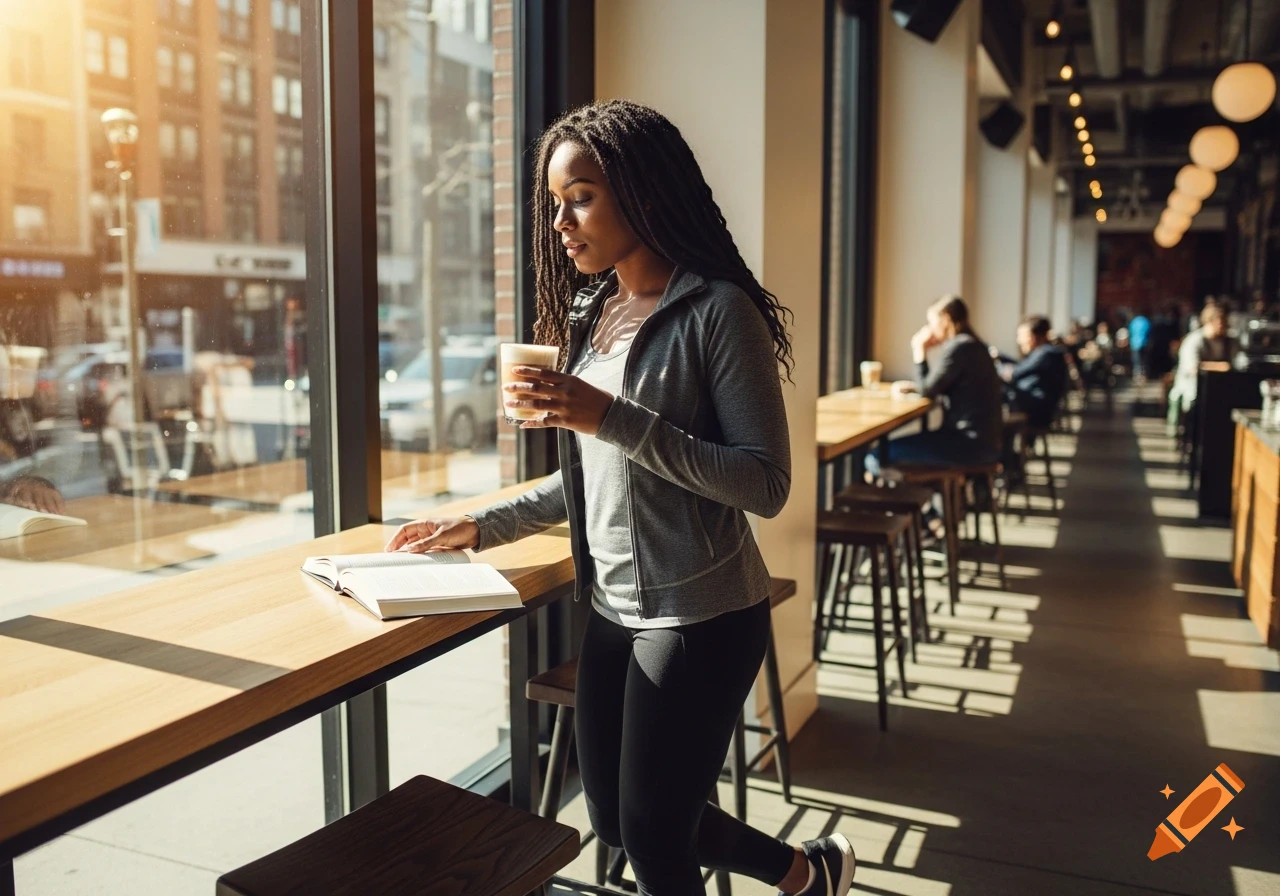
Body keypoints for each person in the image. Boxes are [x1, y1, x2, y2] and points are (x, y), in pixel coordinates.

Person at [385, 100, 854, 896]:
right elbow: (591, 476)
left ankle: (806, 874)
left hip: (702, 613)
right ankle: (808, 874)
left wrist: (611, 417)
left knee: (653, 836)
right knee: (615, 818)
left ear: (641, 188)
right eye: (555, 202)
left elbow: (764, 484)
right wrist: (480, 522)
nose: (562, 221)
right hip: (613, 607)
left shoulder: (717, 311)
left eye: (582, 196)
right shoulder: (592, 315)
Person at [865, 295, 1003, 479]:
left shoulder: (959, 348)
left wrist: (919, 350)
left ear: (945, 319)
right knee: (888, 452)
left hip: (968, 446)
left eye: (931, 322)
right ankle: (921, 498)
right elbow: (935, 386)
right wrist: (917, 388)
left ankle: (911, 497)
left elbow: (927, 391)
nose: (929, 328)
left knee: (876, 456)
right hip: (983, 443)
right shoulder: (974, 346)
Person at [1168, 302, 1234, 433]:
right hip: (1192, 391)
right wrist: (1220, 366)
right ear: (1209, 322)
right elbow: (1193, 368)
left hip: (1218, 392)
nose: (1223, 327)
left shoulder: (1227, 341)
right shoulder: (1194, 341)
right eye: (1220, 323)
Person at [996, 315, 1069, 430]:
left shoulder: (1045, 354)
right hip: (1040, 407)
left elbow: (1015, 373)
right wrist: (1001, 357)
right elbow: (1023, 367)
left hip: (1038, 412)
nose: (1019, 341)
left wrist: (997, 369)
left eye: (1022, 336)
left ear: (1033, 337)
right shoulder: (1047, 353)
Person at [1129, 311, 1151, 382]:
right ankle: (1143, 375)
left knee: (1136, 361)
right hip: (1144, 343)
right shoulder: (1146, 321)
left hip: (1134, 344)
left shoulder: (1133, 322)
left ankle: (1137, 375)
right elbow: (1149, 332)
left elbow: (1130, 331)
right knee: (1143, 360)